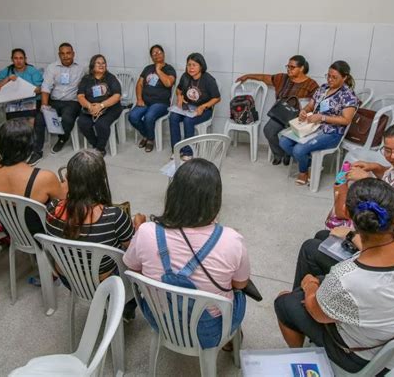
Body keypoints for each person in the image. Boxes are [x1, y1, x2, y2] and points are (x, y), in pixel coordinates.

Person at [275, 178, 394, 374]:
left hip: (361, 357)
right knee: (317, 243)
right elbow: (379, 248)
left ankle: (306, 359)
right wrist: (350, 236)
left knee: (284, 303)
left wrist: (310, 287)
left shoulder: (346, 277)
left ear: (349, 215)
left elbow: (318, 313)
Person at [124, 158, 250, 348]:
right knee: (239, 294)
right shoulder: (232, 240)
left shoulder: (146, 231)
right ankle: (229, 340)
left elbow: (132, 267)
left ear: (173, 194)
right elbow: (240, 284)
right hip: (209, 333)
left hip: (161, 322)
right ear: (215, 199)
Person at [292, 123, 394, 289]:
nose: (393, 156)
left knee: (310, 248)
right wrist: (377, 168)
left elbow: (381, 213)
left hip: (379, 244)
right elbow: (392, 176)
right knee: (322, 235)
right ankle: (324, 284)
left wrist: (366, 181)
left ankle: (303, 296)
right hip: (376, 236)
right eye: (387, 150)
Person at [46, 149, 145, 321]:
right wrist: (140, 227)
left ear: (70, 181)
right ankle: (127, 309)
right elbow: (135, 253)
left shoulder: (51, 209)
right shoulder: (113, 216)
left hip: (70, 280)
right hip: (106, 285)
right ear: (100, 181)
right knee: (143, 265)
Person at [279, 60, 358, 185]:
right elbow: (311, 106)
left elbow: (346, 120)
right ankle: (312, 165)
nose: (330, 80)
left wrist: (322, 118)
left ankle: (303, 171)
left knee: (299, 150)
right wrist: (304, 111)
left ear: (345, 77)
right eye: (328, 76)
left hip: (332, 132)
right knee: (283, 141)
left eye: (334, 77)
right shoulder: (323, 88)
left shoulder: (348, 96)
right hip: (312, 126)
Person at [0, 119, 65, 236]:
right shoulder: (44, 177)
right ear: (30, 146)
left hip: (12, 232)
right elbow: (64, 208)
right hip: (42, 236)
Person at [237, 55, 318, 165]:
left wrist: (305, 111)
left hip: (298, 118)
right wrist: (248, 76)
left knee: (291, 137)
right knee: (268, 130)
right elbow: (264, 78)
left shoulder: (311, 84)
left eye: (292, 67)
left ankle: (289, 154)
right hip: (281, 114)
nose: (289, 69)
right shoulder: (282, 78)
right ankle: (279, 154)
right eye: (288, 66)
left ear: (302, 68)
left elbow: (317, 102)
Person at [33, 42, 85, 156]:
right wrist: (44, 105)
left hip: (72, 102)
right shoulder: (52, 68)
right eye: (62, 53)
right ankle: (37, 151)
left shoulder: (80, 69)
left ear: (73, 54)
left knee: (67, 118)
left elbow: (84, 86)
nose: (65, 56)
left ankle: (62, 139)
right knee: (40, 118)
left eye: (68, 53)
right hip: (54, 101)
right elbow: (46, 87)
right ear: (59, 54)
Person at [169, 53, 221, 161]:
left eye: (194, 65)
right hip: (187, 107)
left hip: (204, 110)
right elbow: (179, 89)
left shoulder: (208, 79)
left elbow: (217, 98)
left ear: (201, 66)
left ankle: (188, 152)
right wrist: (179, 96)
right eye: (189, 65)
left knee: (188, 120)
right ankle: (176, 150)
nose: (191, 68)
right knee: (173, 117)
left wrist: (203, 106)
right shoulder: (185, 77)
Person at [128, 45, 176, 152]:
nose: (157, 54)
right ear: (151, 57)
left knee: (149, 116)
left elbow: (168, 83)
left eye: (159, 52)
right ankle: (146, 135)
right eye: (154, 53)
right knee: (133, 116)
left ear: (164, 54)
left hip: (161, 103)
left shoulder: (169, 69)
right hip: (145, 101)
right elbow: (139, 84)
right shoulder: (147, 69)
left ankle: (150, 139)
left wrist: (158, 70)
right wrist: (139, 99)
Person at [77, 55, 122, 156]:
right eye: (98, 63)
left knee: (101, 124)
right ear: (92, 65)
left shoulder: (110, 78)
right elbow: (80, 96)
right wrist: (90, 106)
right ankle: (95, 144)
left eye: (103, 63)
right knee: (83, 123)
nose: (101, 65)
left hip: (110, 107)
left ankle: (100, 149)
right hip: (91, 107)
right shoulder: (86, 79)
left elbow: (117, 95)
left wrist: (101, 105)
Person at [0, 48, 43, 122]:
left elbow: (40, 89)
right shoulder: (7, 70)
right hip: (13, 102)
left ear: (25, 59)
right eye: (16, 58)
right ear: (12, 59)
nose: (18, 61)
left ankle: (29, 133)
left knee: (30, 120)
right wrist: (7, 79)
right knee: (13, 121)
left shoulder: (32, 70)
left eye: (21, 58)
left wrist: (26, 89)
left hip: (32, 101)